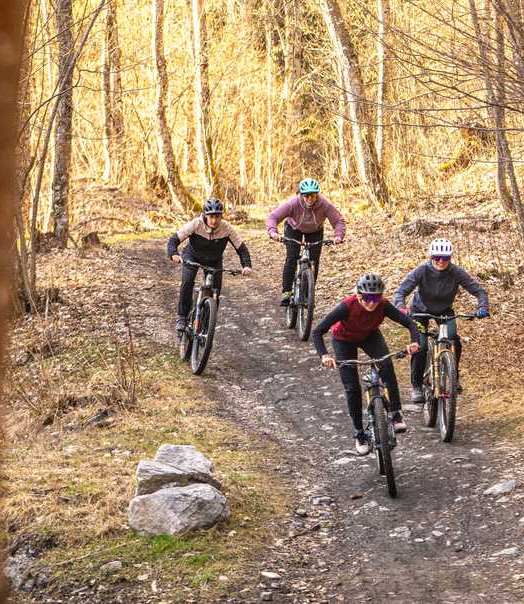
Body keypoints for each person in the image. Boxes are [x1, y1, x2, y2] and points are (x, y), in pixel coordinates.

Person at [312, 272, 422, 455]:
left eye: (376, 297)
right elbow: (317, 331)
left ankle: (395, 413)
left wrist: (414, 342)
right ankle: (359, 433)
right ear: (359, 295)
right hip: (344, 340)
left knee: (386, 366)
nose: (372, 303)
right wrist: (324, 356)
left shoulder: (384, 305)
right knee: (352, 388)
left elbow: (409, 323)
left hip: (369, 335)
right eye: (368, 298)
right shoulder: (347, 306)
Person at [393, 237, 490, 405]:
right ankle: (416, 386)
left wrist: (483, 307)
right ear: (431, 257)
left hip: (444, 311)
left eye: (445, 258)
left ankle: (454, 377)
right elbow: (401, 291)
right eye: (436, 257)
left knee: (454, 339)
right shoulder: (422, 270)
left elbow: (479, 291)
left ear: (450, 258)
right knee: (420, 347)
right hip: (419, 311)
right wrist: (401, 306)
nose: (440, 261)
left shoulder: (456, 272)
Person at [168, 197, 252, 333]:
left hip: (214, 260)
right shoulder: (196, 224)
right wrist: (173, 254)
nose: (214, 220)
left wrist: (246, 265)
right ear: (206, 215)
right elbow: (174, 239)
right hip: (192, 256)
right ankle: (182, 317)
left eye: (217, 217)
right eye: (211, 217)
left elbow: (241, 248)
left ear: (221, 216)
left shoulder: (226, 228)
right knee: (188, 282)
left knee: (215, 292)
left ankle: (207, 326)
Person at [266, 177, 346, 306]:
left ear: (317, 194)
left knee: (314, 261)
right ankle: (287, 292)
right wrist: (273, 232)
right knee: (292, 257)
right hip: (293, 229)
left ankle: (308, 294)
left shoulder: (324, 204)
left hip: (315, 231)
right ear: (301, 195)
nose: (309, 198)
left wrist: (338, 236)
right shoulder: (293, 203)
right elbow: (273, 217)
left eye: (313, 195)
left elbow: (338, 221)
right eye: (306, 195)